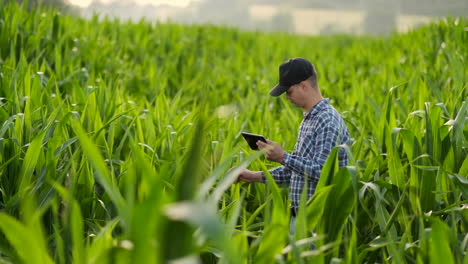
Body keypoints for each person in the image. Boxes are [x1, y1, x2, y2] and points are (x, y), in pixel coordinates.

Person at [236, 57, 350, 236]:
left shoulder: (327, 121)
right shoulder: (309, 120)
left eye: (288, 92)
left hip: (318, 221)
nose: (287, 98)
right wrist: (251, 176)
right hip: (300, 217)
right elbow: (297, 171)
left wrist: (283, 157)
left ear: (304, 85)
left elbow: (323, 172)